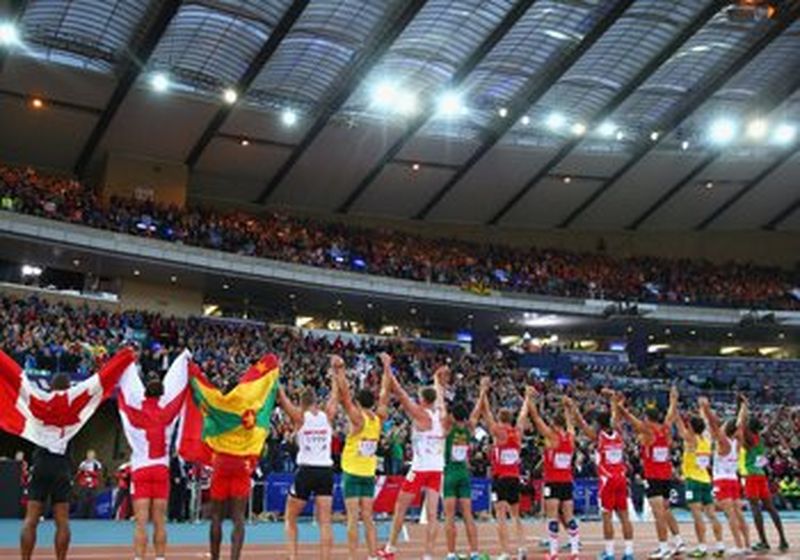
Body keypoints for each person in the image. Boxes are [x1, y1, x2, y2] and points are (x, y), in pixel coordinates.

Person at [117, 354, 189, 560]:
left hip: (140, 469)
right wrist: (184, 361)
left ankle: (139, 558)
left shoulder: (134, 413)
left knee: (140, 521)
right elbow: (179, 396)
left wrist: (126, 365)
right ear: (162, 394)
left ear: (144, 393)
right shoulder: (168, 412)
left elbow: (123, 401)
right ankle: (160, 557)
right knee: (160, 520)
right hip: (161, 469)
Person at [378, 364, 450, 560]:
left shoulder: (420, 414)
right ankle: (428, 555)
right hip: (437, 470)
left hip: (420, 469)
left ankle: (390, 549)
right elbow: (441, 398)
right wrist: (436, 380)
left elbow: (401, 394)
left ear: (422, 399)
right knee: (433, 515)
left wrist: (387, 369)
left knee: (400, 508)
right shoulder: (441, 415)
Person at [278, 358, 339, 560]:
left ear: (302, 403)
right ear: (316, 402)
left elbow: (283, 399)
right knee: (325, 521)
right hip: (325, 471)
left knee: (290, 517)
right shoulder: (328, 415)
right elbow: (335, 395)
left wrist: (274, 377)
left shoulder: (299, 417)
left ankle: (293, 558)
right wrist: (335, 371)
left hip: (306, 471)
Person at [336, 353, 392, 560]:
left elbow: (344, 396)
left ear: (359, 403)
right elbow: (385, 393)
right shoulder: (378, 418)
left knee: (352, 518)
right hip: (368, 474)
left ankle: (352, 557)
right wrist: (387, 367)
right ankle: (372, 556)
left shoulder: (358, 419)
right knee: (368, 518)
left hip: (352, 473)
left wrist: (340, 370)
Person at [566, 390, 634, 560]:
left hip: (607, 480)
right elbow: (615, 415)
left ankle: (610, 554)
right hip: (621, 477)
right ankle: (629, 552)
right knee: (625, 517)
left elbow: (581, 423)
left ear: (598, 424)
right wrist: (613, 399)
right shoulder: (618, 432)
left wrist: (572, 407)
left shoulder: (598, 436)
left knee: (607, 517)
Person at [617, 394, 684, 559]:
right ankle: (678, 541)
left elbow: (628, 418)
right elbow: (671, 412)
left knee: (658, 514)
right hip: (666, 477)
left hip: (654, 478)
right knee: (666, 511)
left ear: (647, 418)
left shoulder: (648, 430)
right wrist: (673, 398)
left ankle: (663, 548)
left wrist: (618, 404)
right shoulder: (666, 427)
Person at [20, 373, 73, 560]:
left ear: (50, 387)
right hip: (62, 466)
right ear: (69, 389)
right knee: (62, 522)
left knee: (31, 519)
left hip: (42, 462)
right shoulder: (74, 408)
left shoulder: (41, 405)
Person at [669, 388, 724, 558]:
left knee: (697, 515)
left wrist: (673, 400)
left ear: (692, 428)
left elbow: (676, 419)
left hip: (692, 481)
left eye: (689, 424)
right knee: (712, 514)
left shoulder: (690, 438)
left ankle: (702, 547)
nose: (687, 425)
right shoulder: (706, 438)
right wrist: (703, 408)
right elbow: (705, 422)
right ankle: (720, 545)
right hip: (706, 481)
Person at [525, 387, 579, 560]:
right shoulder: (570, 437)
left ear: (555, 425)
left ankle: (554, 553)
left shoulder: (551, 436)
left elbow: (536, 418)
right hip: (567, 481)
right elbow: (571, 424)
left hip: (553, 482)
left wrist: (529, 399)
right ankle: (575, 552)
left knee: (552, 517)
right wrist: (567, 408)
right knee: (569, 517)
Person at [478, 376, 527, 560]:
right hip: (514, 477)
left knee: (500, 515)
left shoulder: (498, 432)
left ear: (500, 419)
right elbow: (523, 416)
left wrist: (483, 390)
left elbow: (485, 412)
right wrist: (528, 399)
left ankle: (505, 552)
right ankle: (522, 549)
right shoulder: (517, 432)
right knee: (516, 515)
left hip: (500, 478)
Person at [738, 395, 789, 552]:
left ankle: (764, 542)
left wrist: (744, 406)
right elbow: (773, 424)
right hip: (761, 475)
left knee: (755, 508)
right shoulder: (762, 437)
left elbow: (741, 424)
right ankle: (783, 540)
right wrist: (780, 411)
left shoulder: (748, 439)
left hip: (751, 476)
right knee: (771, 508)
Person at [698, 397, 749, 555]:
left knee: (731, 515)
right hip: (734, 479)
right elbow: (741, 422)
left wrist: (706, 409)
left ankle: (738, 546)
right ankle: (746, 545)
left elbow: (713, 424)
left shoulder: (724, 442)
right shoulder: (737, 440)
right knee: (738, 513)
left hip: (723, 480)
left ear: (727, 429)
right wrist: (744, 406)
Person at [442, 388, 483, 560]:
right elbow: (476, 412)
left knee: (449, 517)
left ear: (453, 416)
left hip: (450, 474)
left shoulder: (448, 429)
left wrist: (438, 384)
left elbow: (443, 411)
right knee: (468, 515)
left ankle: (451, 554)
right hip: (463, 474)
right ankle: (474, 553)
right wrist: (482, 393)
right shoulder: (468, 430)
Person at [75, 449, 103, 519]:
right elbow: (78, 474)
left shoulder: (97, 464)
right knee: (82, 500)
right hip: (84, 485)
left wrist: (89, 472)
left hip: (93, 485)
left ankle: (91, 517)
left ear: (94, 456)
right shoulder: (83, 463)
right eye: (89, 455)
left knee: (92, 501)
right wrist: (80, 473)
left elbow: (99, 475)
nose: (90, 456)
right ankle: (80, 516)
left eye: (92, 455)